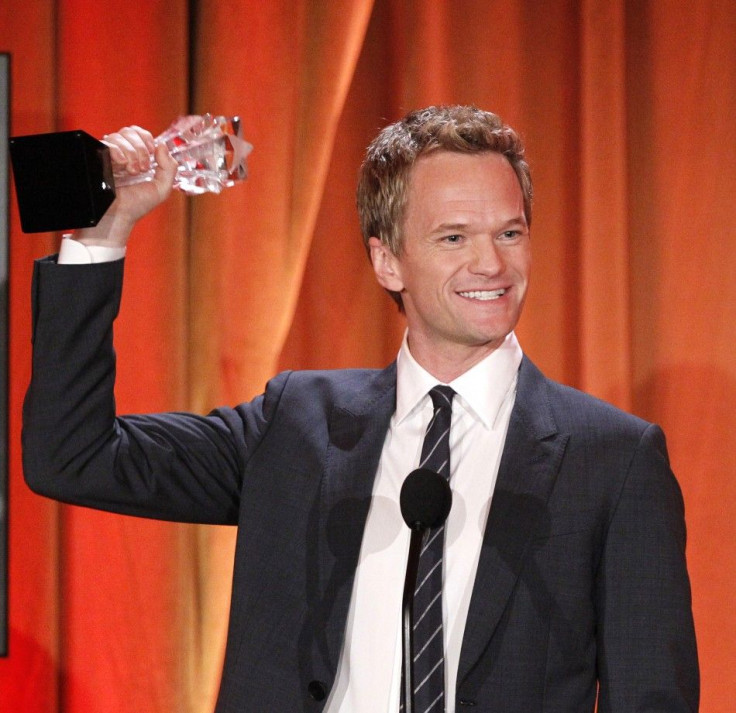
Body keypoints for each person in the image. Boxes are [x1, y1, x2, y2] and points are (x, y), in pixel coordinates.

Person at [22, 106, 699, 712]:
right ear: (387, 262)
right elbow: (72, 457)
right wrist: (102, 236)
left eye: (511, 233)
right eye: (455, 237)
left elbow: (653, 696)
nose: (492, 263)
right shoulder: (296, 423)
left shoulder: (613, 457)